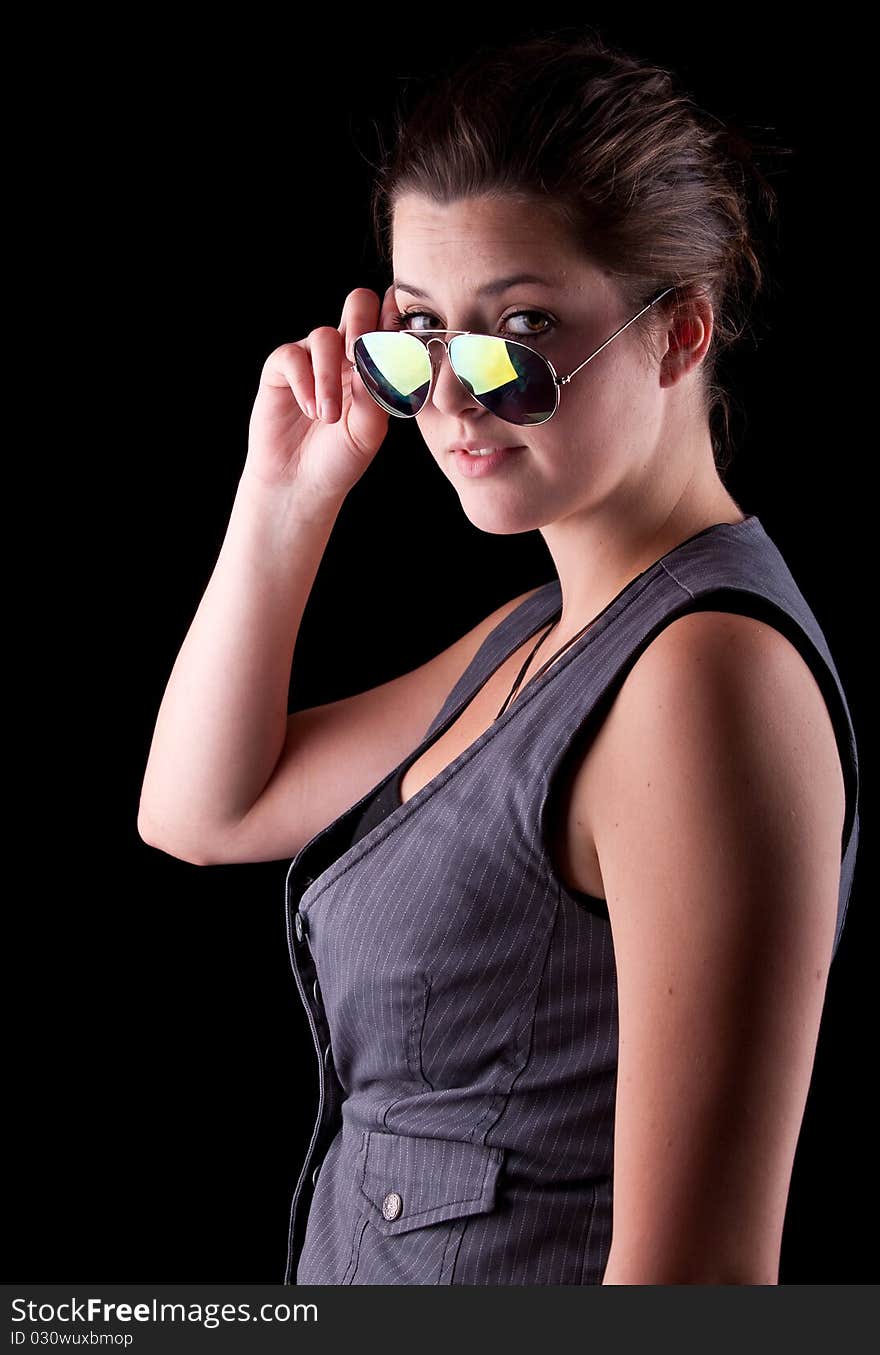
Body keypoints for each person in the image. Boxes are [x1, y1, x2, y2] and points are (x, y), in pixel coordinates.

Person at [138, 27, 860, 1285]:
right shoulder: (542, 635)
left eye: (515, 334)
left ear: (678, 333)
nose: (453, 403)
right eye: (418, 335)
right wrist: (285, 499)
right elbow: (202, 809)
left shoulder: (701, 679)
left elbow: (695, 1282)